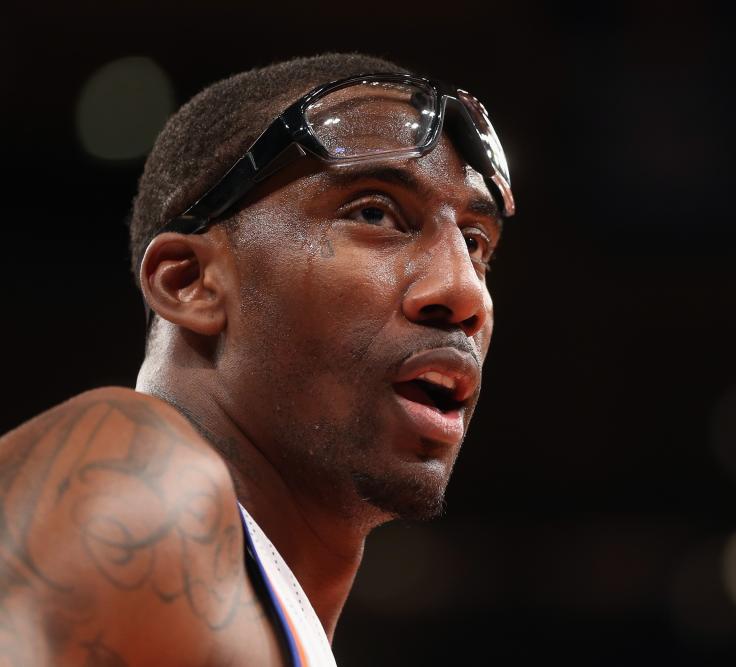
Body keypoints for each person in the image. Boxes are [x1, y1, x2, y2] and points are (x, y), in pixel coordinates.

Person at [0, 52, 514, 666]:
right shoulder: (135, 471)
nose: (463, 293)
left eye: (476, 244)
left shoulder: (256, 607)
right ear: (189, 283)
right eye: (375, 214)